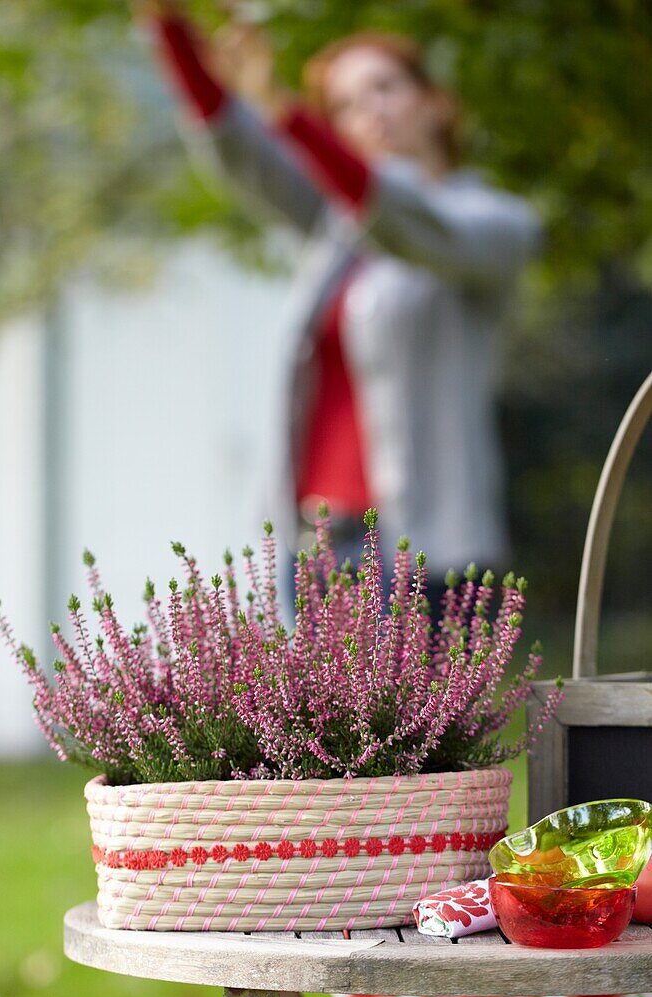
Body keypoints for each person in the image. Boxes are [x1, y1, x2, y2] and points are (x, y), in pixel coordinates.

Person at [141, 2, 542, 607]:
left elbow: (408, 224)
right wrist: (168, 23)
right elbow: (241, 150)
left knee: (423, 709)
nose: (368, 111)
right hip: (316, 550)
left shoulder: (494, 225)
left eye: (383, 87)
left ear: (435, 102)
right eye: (346, 106)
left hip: (422, 557)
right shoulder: (339, 231)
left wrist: (282, 107)